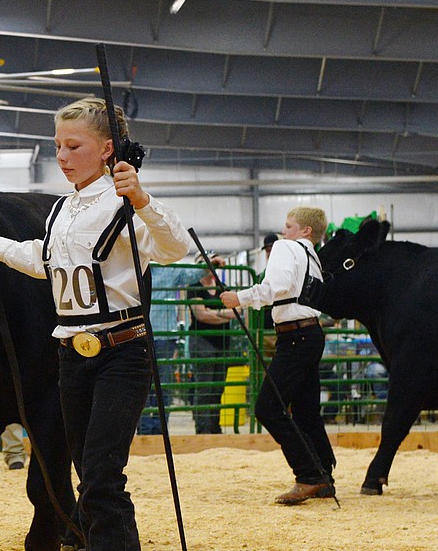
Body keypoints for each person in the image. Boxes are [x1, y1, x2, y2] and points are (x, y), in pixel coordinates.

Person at [0, 96, 190, 551]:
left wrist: (144, 199)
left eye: (73, 146)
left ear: (106, 149)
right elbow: (46, 262)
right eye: (58, 146)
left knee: (104, 481)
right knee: (91, 479)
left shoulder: (126, 203)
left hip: (121, 351)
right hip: (72, 353)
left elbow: (176, 247)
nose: (62, 155)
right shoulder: (64, 209)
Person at [221, 206, 337, 505]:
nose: (284, 232)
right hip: (310, 334)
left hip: (295, 337)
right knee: (307, 411)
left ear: (305, 230)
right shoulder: (313, 256)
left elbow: (277, 286)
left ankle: (309, 474)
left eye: (289, 226)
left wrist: (240, 298)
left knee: (268, 408)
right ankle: (324, 474)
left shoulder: (287, 247)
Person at [136, 262, 199, 435]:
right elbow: (191, 274)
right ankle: (148, 428)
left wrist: (209, 264)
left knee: (157, 386)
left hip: (154, 335)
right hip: (147, 336)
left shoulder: (166, 269)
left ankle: (154, 428)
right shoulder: (138, 268)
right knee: (149, 386)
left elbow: (192, 274)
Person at [187, 264, 239, 434]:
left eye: (216, 264)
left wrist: (212, 313)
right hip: (202, 341)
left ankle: (214, 427)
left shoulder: (224, 289)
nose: (213, 267)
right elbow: (201, 315)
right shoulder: (194, 288)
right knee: (204, 387)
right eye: (209, 263)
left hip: (222, 342)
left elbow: (236, 312)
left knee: (218, 388)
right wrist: (224, 313)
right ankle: (203, 429)